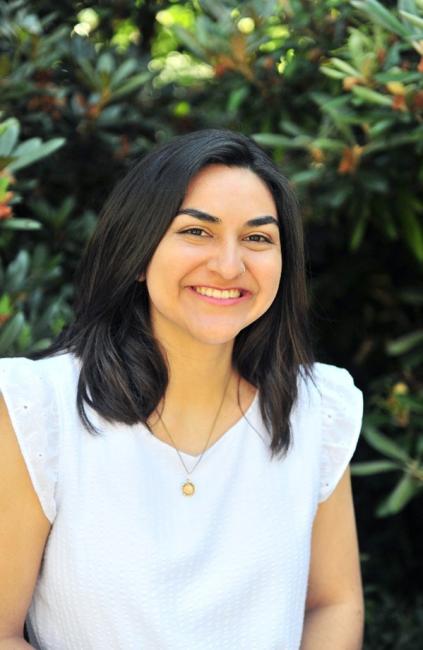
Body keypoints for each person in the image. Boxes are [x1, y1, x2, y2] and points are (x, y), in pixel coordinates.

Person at [0, 129, 364, 650]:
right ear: (140, 249)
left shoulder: (318, 409)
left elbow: (334, 602)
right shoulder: (39, 406)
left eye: (258, 238)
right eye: (197, 232)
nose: (229, 265)